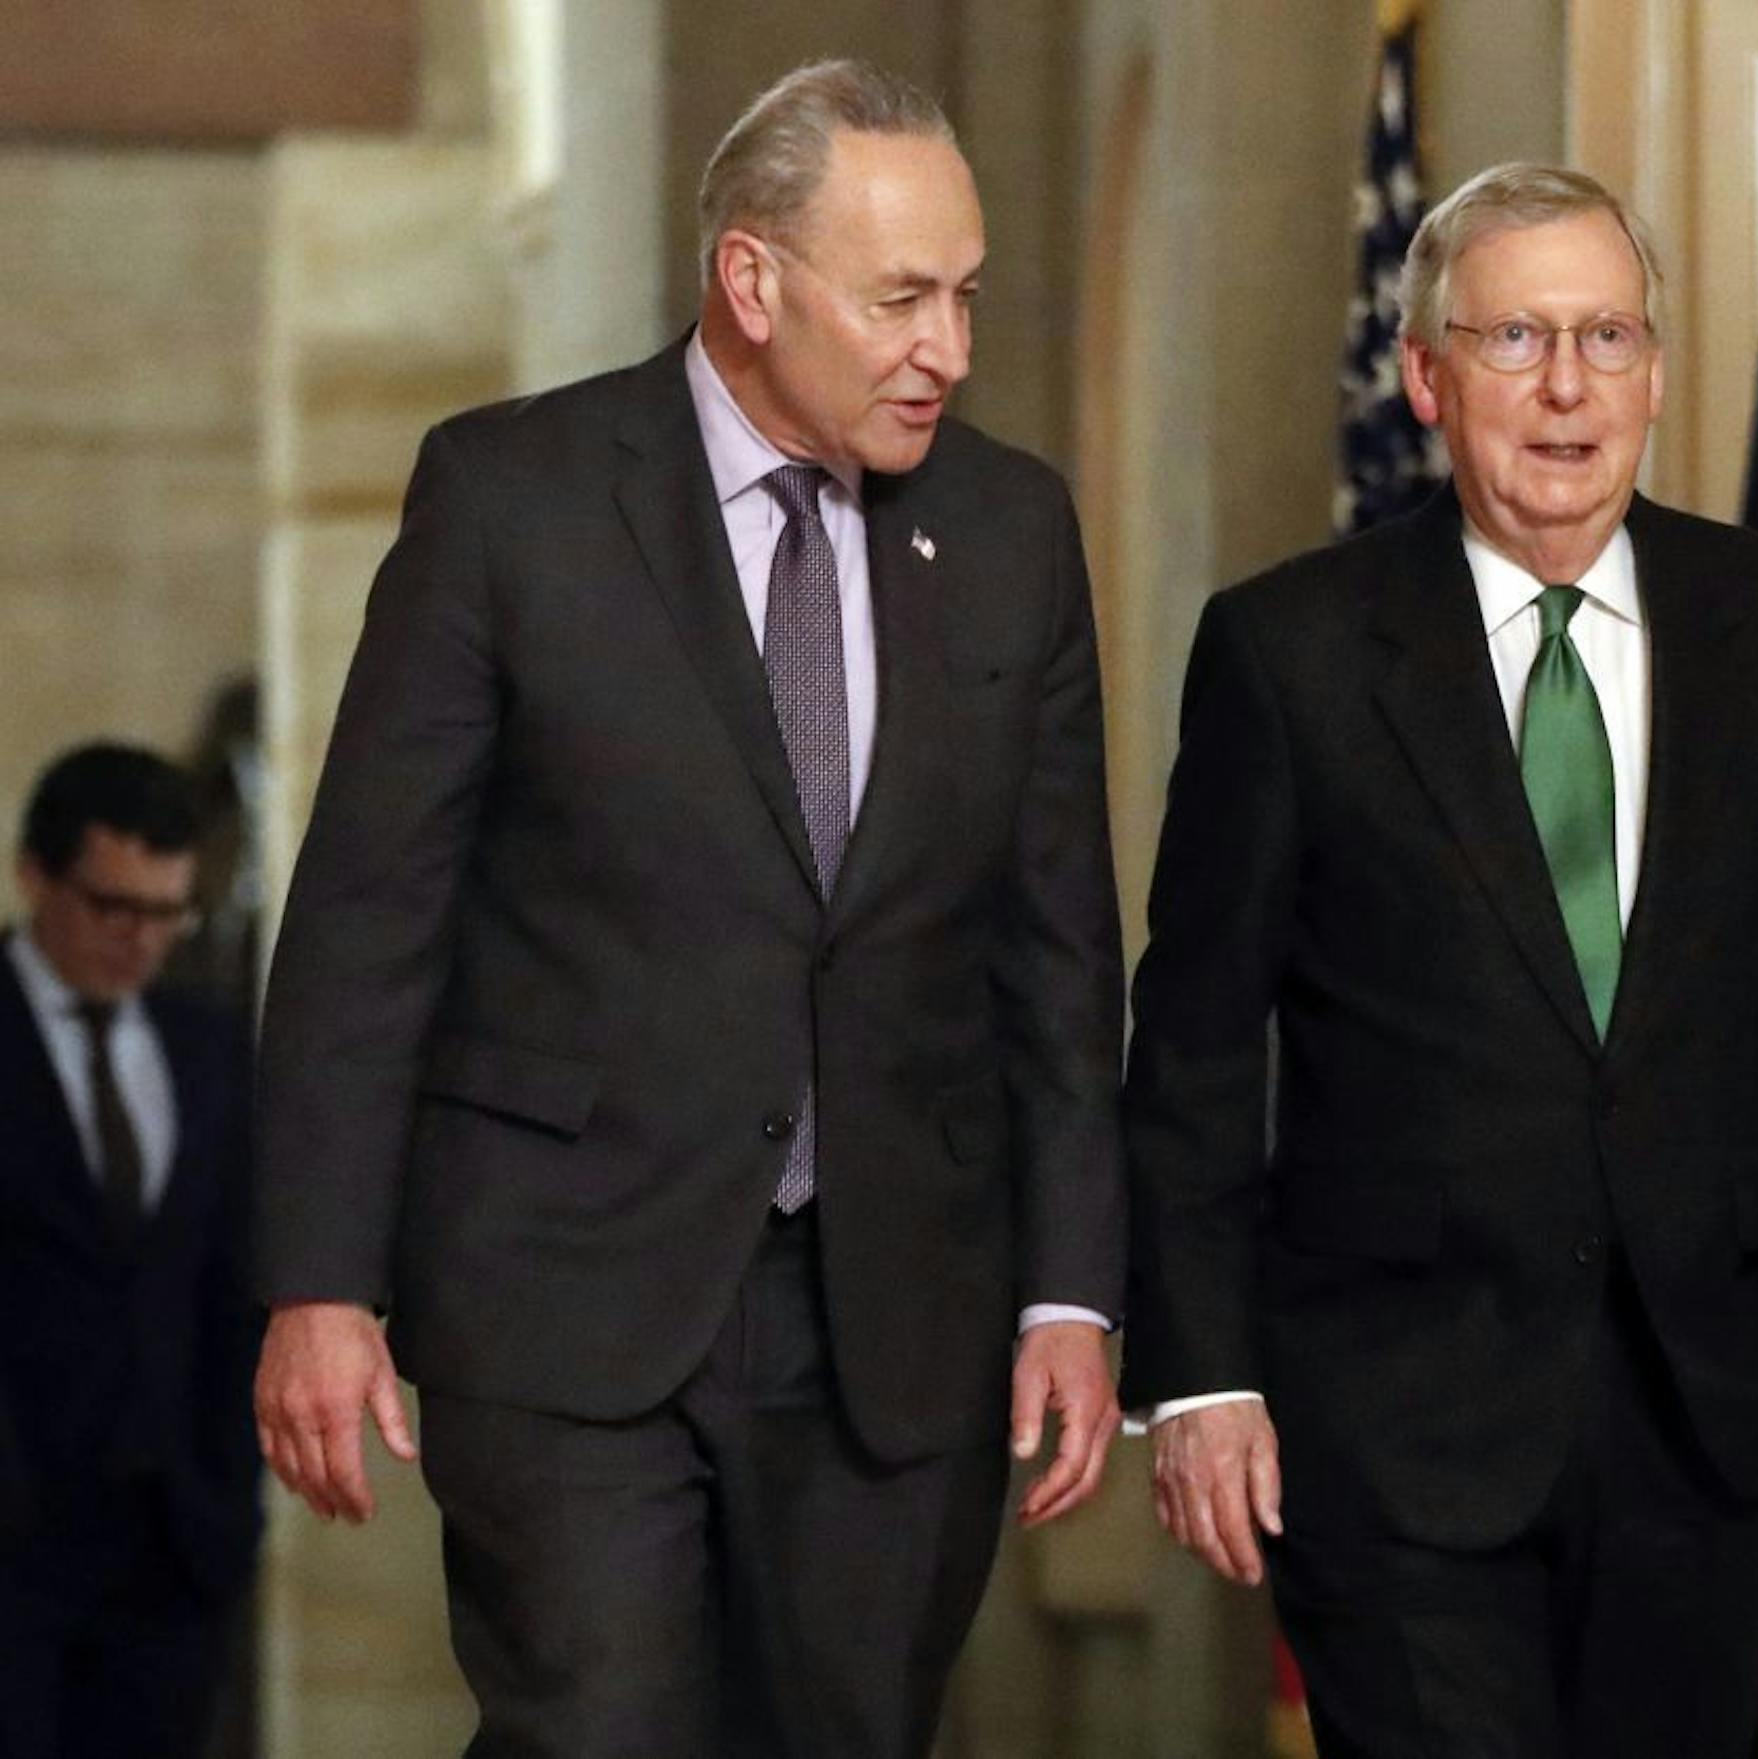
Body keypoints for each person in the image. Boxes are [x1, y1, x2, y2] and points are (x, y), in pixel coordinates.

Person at [250, 59, 1126, 1759]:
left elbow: (1058, 948)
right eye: (899, 298)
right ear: (750, 280)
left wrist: (1073, 1291)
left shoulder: (1013, 531)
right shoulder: (513, 499)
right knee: (601, 1726)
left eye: (965, 294)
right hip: (570, 1288)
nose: (946, 343)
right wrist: (319, 1280)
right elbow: (373, 913)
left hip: (894, 1313)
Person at [1123, 162, 1758, 1758]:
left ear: (1651, 370)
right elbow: (1199, 1043)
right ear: (1425, 376)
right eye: (1514, 340)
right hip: (1393, 1442)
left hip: (1707, 1425)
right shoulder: (1288, 654)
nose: (1568, 389)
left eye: (1609, 338)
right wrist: (1205, 1375)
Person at [0, 742, 260, 1758]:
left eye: (167, 911)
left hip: (172, 1545)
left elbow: (228, 1283)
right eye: (114, 907)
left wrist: (229, 1500)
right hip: (17, 1541)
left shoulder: (205, 1044)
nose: (142, 940)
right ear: (36, 876)